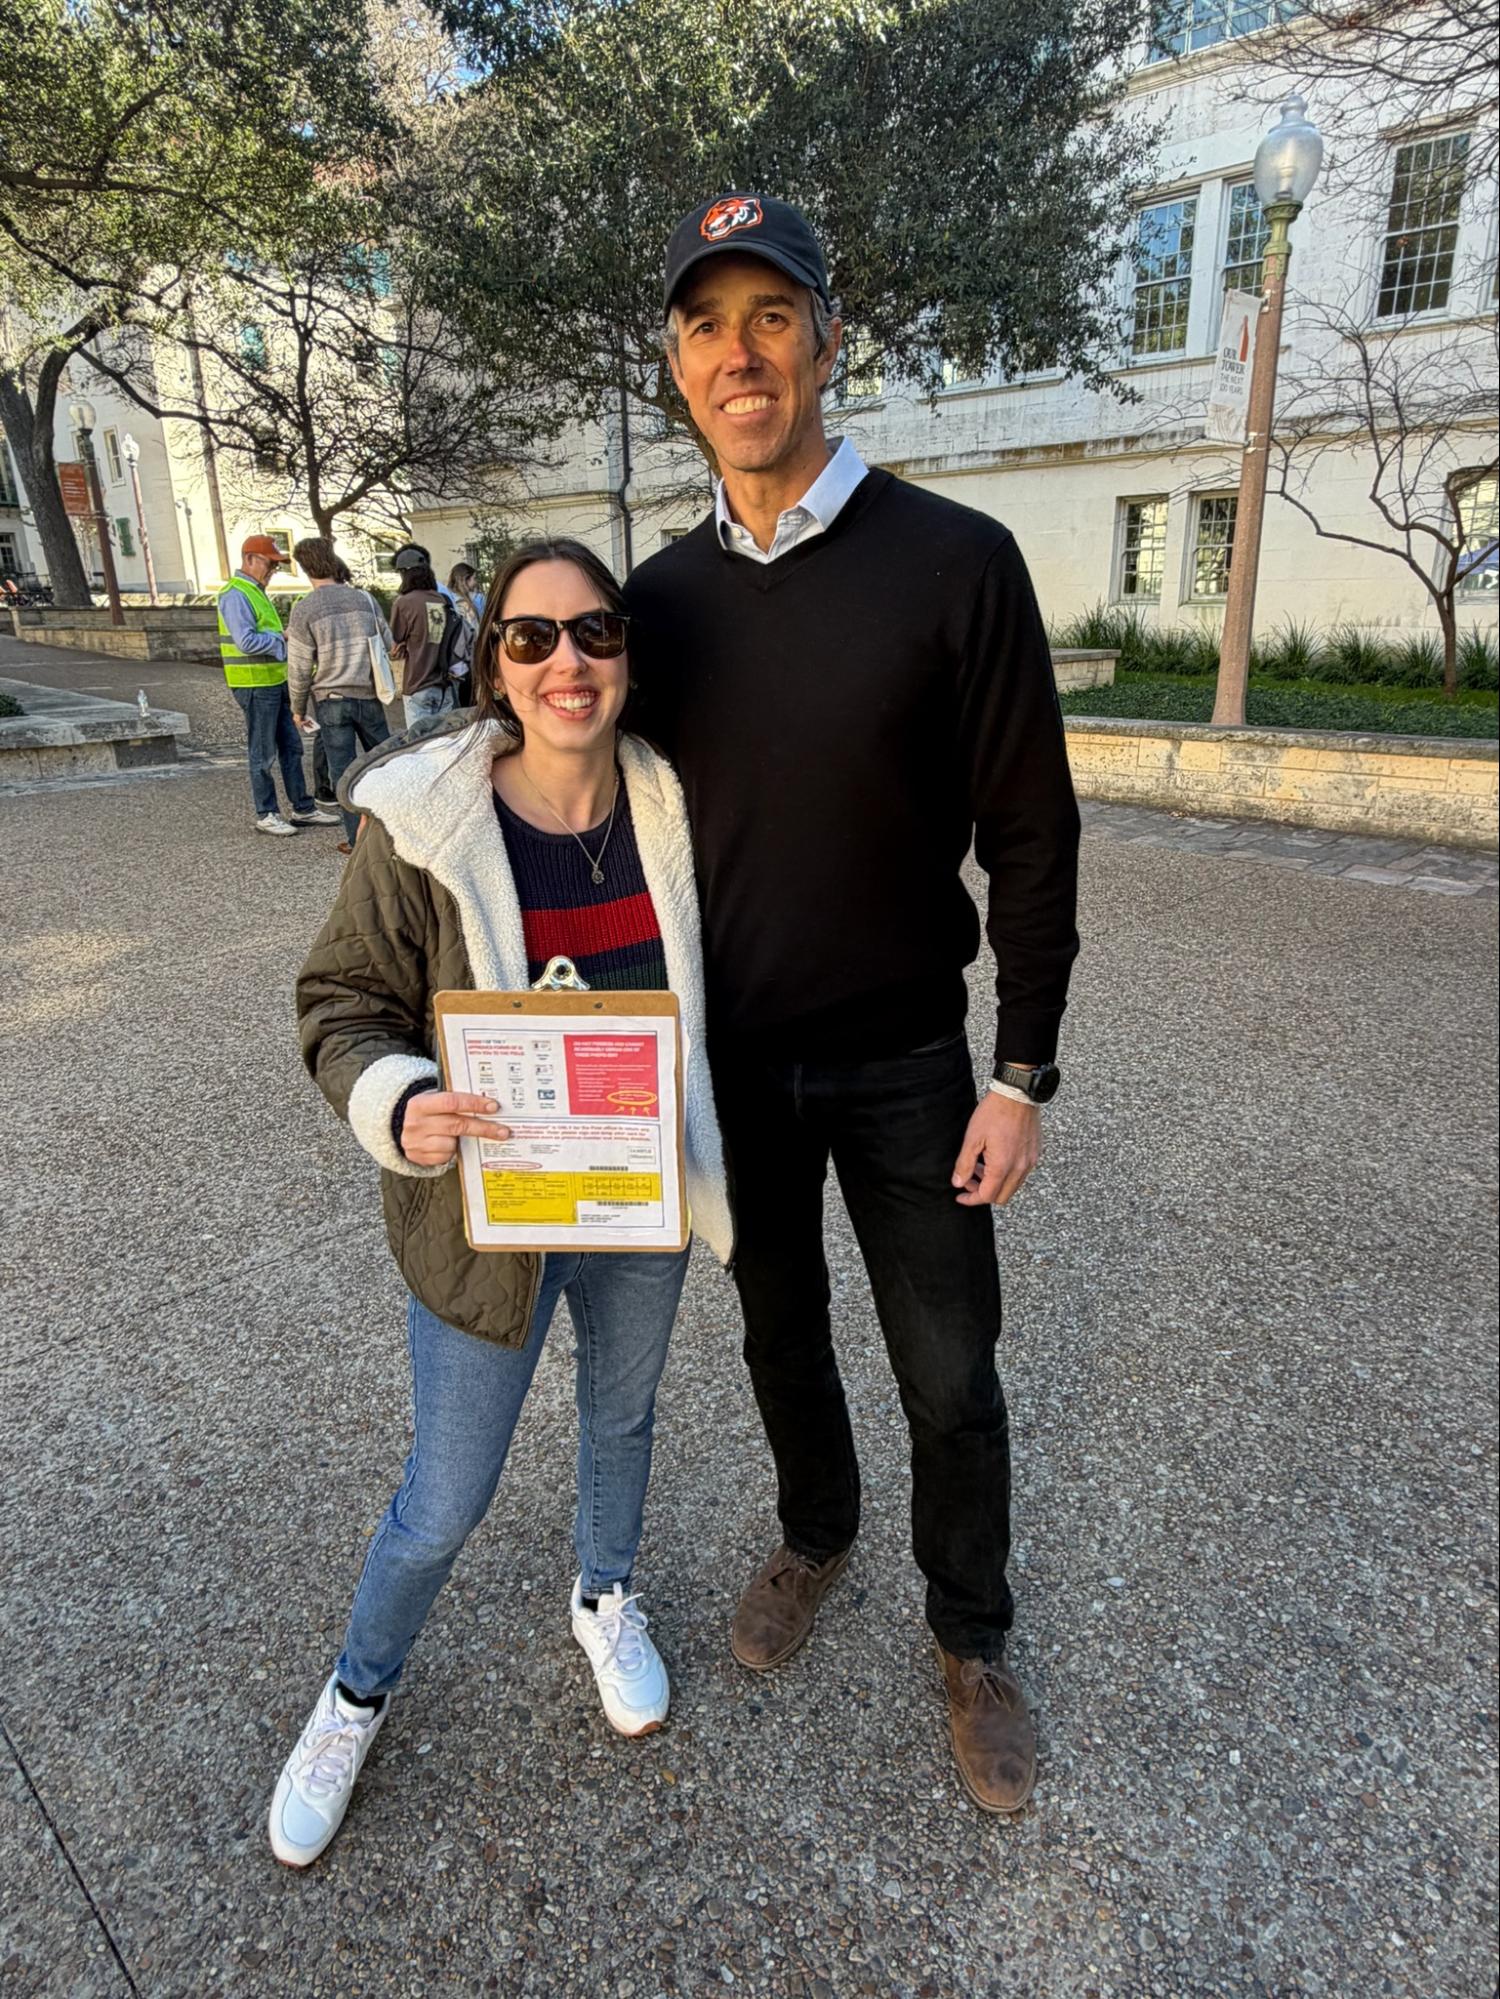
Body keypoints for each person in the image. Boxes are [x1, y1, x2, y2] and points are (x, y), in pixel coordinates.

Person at [624, 194, 1081, 1816]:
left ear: (829, 338)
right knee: (778, 1329)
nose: (737, 350)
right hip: (736, 1063)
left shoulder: (959, 563)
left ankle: (973, 1631)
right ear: (679, 366)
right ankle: (816, 1531)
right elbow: (585, 806)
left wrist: (1019, 1067)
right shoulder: (655, 603)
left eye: (769, 313)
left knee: (951, 1368)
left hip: (908, 1060)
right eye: (705, 322)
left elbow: (1032, 827)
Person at [272, 537, 733, 1868]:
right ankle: (357, 1691)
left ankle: (605, 1593)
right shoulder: (424, 823)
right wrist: (399, 1097)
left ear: (628, 654)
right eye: (532, 639)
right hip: (482, 1223)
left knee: (623, 1412)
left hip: (634, 1204)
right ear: (494, 665)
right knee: (443, 1496)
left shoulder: (675, 811)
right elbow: (341, 1003)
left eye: (593, 632)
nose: (566, 662)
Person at [217, 534, 339, 838]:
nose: (272, 571)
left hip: (273, 681)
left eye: (275, 566)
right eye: (269, 564)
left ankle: (302, 807)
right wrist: (281, 639)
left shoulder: (255, 592)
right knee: (263, 753)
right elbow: (245, 641)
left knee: (291, 748)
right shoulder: (236, 593)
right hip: (254, 684)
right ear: (249, 560)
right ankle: (267, 812)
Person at [286, 536, 394, 853]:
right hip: (369, 696)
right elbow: (388, 643)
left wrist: (297, 707)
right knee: (386, 763)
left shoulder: (304, 609)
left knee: (343, 773)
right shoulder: (365, 599)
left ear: (305, 568)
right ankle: (397, 832)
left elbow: (300, 667)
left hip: (331, 700)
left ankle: (357, 841)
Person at [388, 549, 458, 730]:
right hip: (445, 683)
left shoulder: (404, 603)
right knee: (445, 743)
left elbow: (395, 643)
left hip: (417, 683)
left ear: (405, 574)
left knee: (419, 746)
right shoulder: (443, 600)